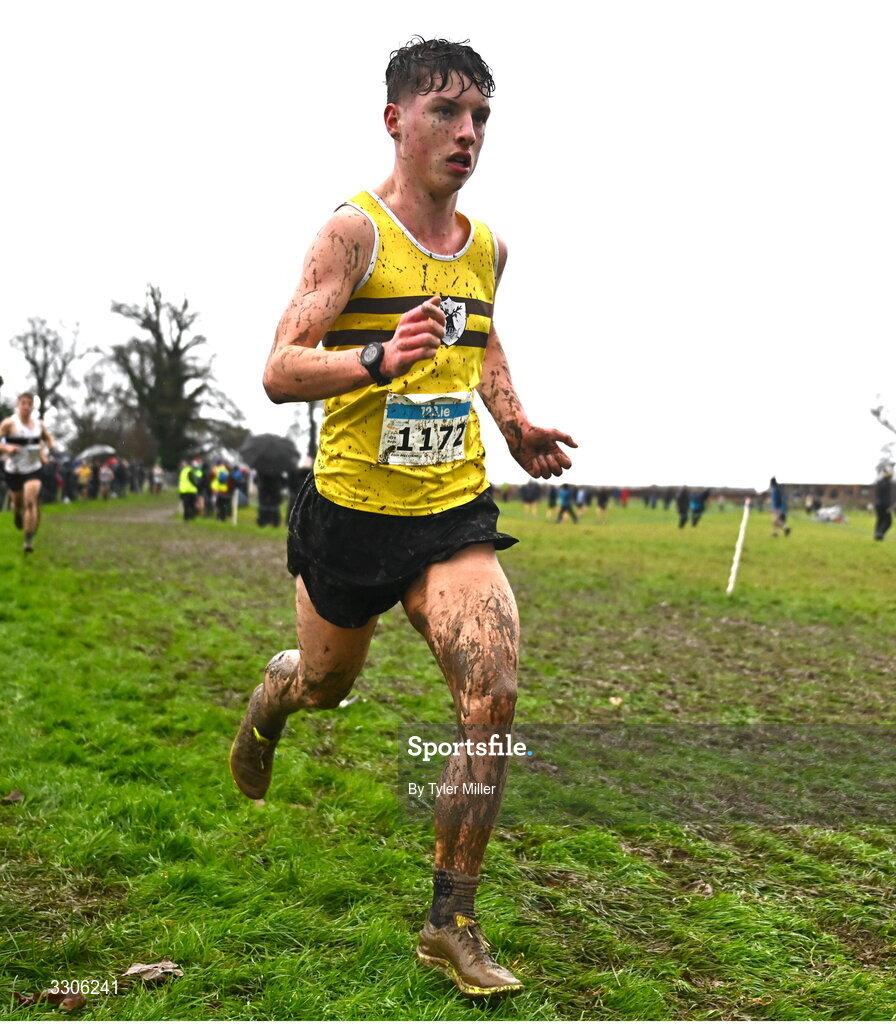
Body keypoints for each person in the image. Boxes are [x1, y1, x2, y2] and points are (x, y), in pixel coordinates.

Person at [228, 37, 575, 998]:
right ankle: (277, 693)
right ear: (396, 120)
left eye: (481, 120)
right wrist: (376, 360)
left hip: (450, 514)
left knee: (493, 691)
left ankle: (450, 920)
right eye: (446, 114)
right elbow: (277, 369)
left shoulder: (490, 248)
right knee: (329, 688)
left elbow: (485, 336)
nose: (467, 135)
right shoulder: (354, 234)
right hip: (349, 516)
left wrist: (512, 424)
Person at [0, 392, 54, 553]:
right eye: (23, 403)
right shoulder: (9, 424)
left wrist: (48, 450)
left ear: (33, 407)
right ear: (18, 405)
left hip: (33, 469)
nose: (26, 406)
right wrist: (7, 447)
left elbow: (49, 439)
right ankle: (17, 512)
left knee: (30, 501)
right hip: (14, 470)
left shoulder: (39, 425)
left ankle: (28, 541)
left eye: (29, 404)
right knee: (17, 503)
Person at [873, 466, 893, 541]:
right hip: (884, 505)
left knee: (880, 520)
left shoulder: (879, 482)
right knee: (888, 521)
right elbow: (886, 496)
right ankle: (880, 535)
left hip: (878, 504)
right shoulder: (887, 484)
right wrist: (889, 506)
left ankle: (877, 536)